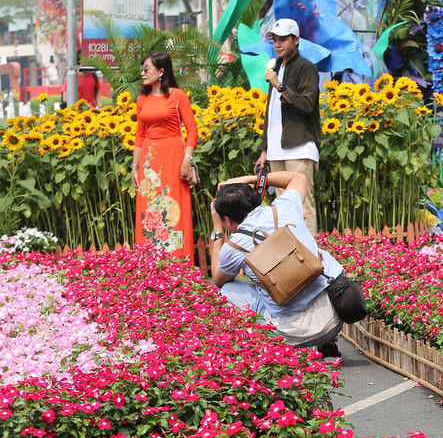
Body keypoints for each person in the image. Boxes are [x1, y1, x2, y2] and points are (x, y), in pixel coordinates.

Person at [210, 169, 344, 357]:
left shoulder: (234, 246)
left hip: (288, 334)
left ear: (227, 219)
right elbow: (298, 177)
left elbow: (218, 278)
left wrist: (218, 230)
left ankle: (268, 351)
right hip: (333, 318)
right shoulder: (285, 207)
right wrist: (250, 178)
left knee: (228, 289)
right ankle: (327, 344)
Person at [256, 18, 321, 235]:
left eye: (283, 39)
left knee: (303, 205)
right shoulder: (276, 67)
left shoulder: (306, 68)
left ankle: (312, 258)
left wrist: (280, 85)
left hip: (299, 147)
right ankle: (290, 261)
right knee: (282, 208)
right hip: (276, 150)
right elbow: (271, 113)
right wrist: (264, 150)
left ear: (296, 40)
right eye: (274, 40)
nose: (277, 44)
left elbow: (306, 105)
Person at [132, 51, 199, 260]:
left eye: (147, 68)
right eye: (142, 68)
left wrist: (187, 160)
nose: (142, 72)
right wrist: (134, 167)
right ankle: (150, 262)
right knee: (149, 207)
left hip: (173, 157)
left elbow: (192, 129)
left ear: (161, 71)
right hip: (149, 160)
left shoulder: (177, 96)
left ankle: (177, 261)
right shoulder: (142, 99)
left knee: (173, 205)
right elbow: (140, 135)